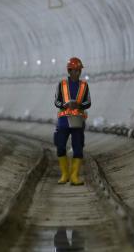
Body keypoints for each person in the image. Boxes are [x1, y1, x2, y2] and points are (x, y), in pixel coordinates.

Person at [54, 57, 91, 185]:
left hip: (77, 122)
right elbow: (56, 101)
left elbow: (88, 102)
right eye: (74, 70)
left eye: (78, 70)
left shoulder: (84, 86)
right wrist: (65, 104)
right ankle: (65, 174)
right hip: (64, 121)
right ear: (69, 71)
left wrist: (79, 105)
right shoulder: (62, 85)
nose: (77, 73)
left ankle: (74, 176)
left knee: (78, 148)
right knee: (60, 146)